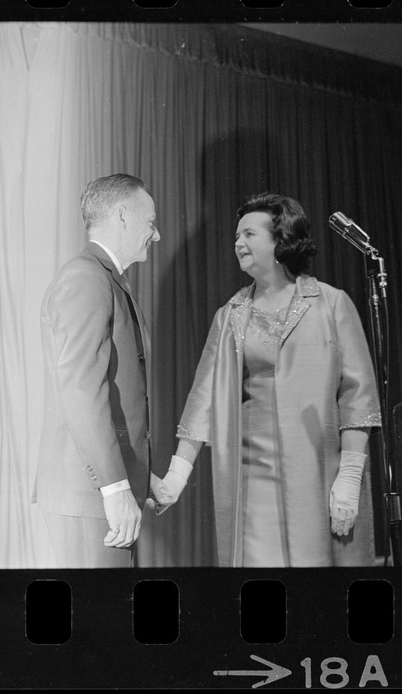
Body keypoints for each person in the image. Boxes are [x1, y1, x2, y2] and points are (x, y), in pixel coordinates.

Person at [152, 193, 381, 567]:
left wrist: (350, 475)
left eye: (249, 234)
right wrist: (176, 477)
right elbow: (202, 401)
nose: (238, 243)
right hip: (254, 480)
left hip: (319, 475)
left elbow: (358, 397)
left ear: (281, 238)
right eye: (236, 237)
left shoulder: (332, 303)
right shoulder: (230, 315)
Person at [32, 173, 161, 567]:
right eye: (151, 222)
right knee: (101, 623)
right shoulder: (88, 277)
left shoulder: (103, 277)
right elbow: (81, 391)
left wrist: (138, 476)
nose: (156, 236)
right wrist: (115, 486)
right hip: (91, 496)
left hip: (97, 493)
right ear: (123, 215)